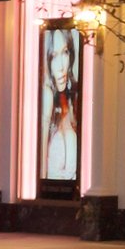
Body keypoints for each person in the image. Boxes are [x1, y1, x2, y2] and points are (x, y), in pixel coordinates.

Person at [41, 27, 83, 186]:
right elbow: (39, 166)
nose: (61, 66)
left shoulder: (71, 97)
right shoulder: (46, 96)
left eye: (65, 52)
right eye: (53, 56)